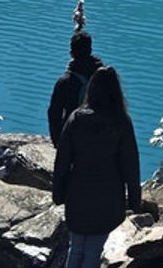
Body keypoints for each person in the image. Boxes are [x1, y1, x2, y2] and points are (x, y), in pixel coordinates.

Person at [52, 66, 144, 268]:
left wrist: (58, 192)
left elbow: (63, 160)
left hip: (78, 193)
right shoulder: (121, 121)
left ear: (91, 89)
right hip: (108, 197)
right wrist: (135, 199)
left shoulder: (76, 118)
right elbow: (130, 164)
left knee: (75, 248)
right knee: (93, 251)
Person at [49, 30, 104, 147]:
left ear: (71, 53)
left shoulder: (65, 82)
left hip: (73, 137)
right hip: (100, 137)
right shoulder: (104, 77)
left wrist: (57, 143)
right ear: (90, 50)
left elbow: (54, 114)